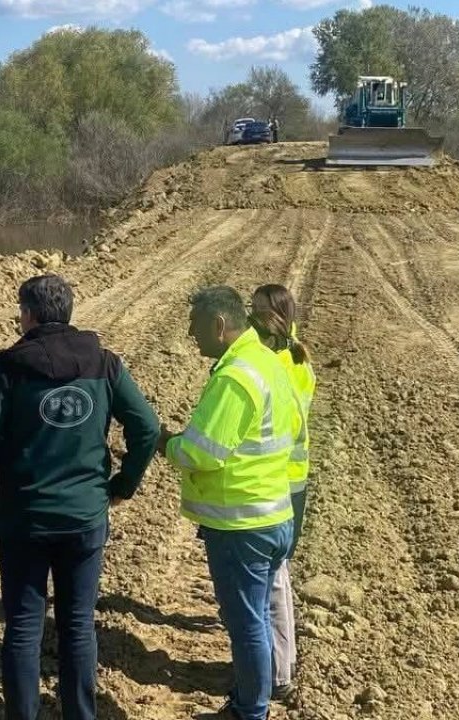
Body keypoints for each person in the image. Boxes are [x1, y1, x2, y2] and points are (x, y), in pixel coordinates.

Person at [0, 274, 160, 720]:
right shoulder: (105, 363)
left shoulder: (10, 368)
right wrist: (120, 487)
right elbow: (147, 429)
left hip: (25, 516)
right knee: (77, 624)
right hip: (85, 515)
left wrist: (19, 466)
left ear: (30, 315)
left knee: (23, 625)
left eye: (20, 311)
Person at [158, 285, 300, 720]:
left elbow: (202, 452)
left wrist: (166, 443)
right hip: (272, 513)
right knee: (258, 615)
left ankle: (249, 710)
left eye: (195, 325)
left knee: (247, 626)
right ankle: (256, 697)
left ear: (219, 326)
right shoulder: (267, 363)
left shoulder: (235, 376)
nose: (189, 334)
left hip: (243, 525)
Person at [249, 284, 316, 700]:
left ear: (273, 318)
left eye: (255, 311)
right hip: (294, 478)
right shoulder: (299, 360)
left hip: (276, 480)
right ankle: (281, 662)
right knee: (278, 575)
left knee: (272, 579)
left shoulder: (275, 363)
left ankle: (277, 671)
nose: (249, 318)